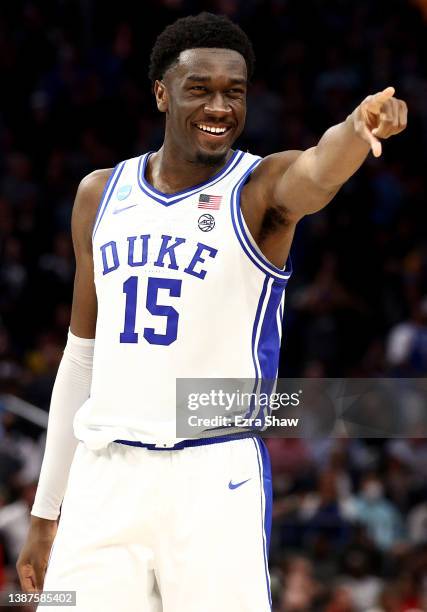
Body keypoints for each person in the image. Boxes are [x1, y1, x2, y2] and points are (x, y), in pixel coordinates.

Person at [16, 11, 407, 612]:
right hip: (103, 474)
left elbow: (316, 170)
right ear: (161, 93)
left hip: (212, 471)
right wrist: (47, 511)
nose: (219, 106)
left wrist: (356, 129)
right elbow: (82, 356)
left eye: (234, 92)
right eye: (200, 89)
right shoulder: (100, 194)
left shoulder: (259, 190)